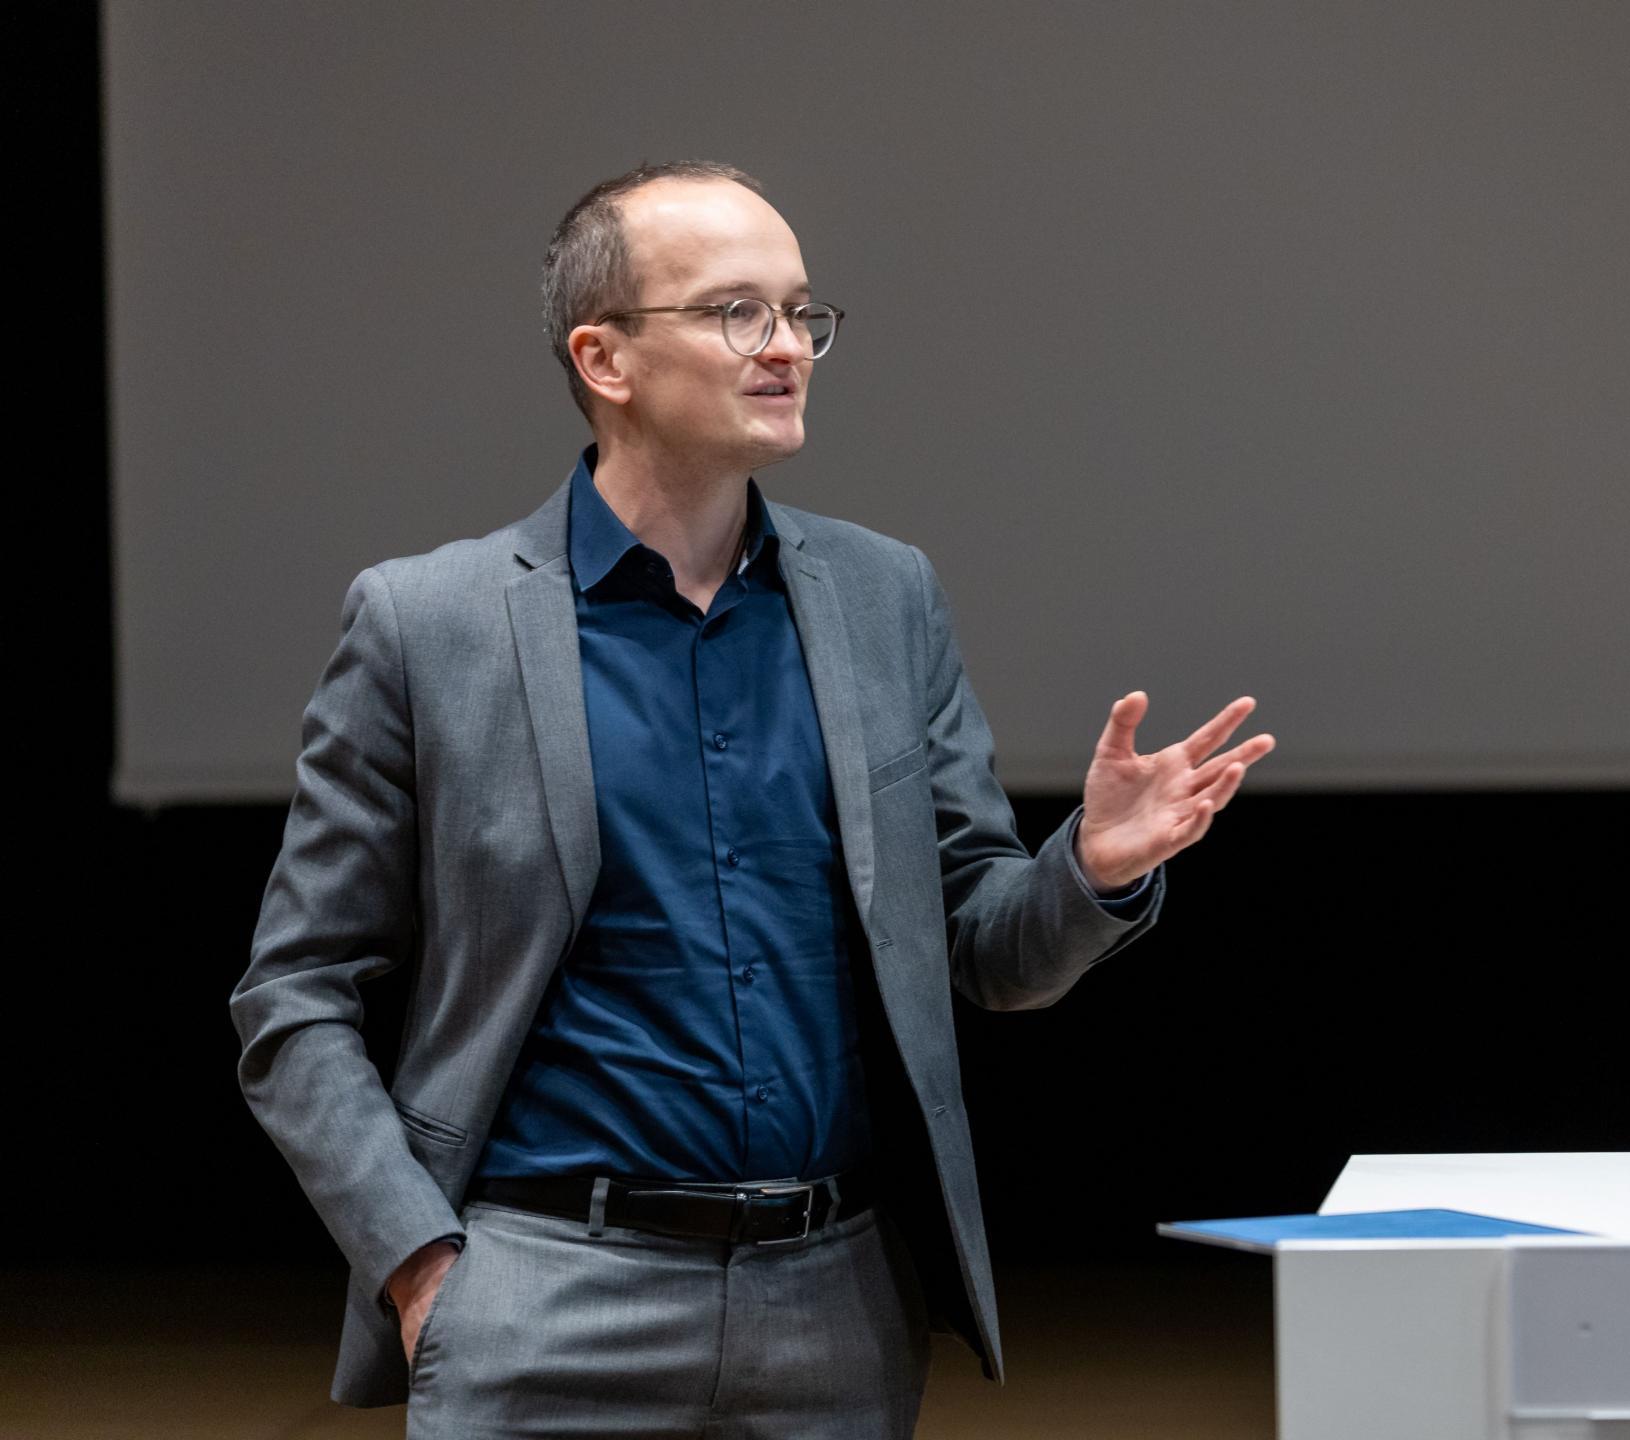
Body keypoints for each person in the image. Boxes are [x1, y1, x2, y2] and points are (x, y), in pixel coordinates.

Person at [229, 160, 1274, 1438]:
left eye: (800, 313)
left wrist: (1090, 870)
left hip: (833, 1303)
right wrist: (421, 1265)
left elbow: (989, 955)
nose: (787, 347)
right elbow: (293, 997)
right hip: (542, 1296)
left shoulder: (883, 599)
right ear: (604, 359)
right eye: (737, 312)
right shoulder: (427, 623)